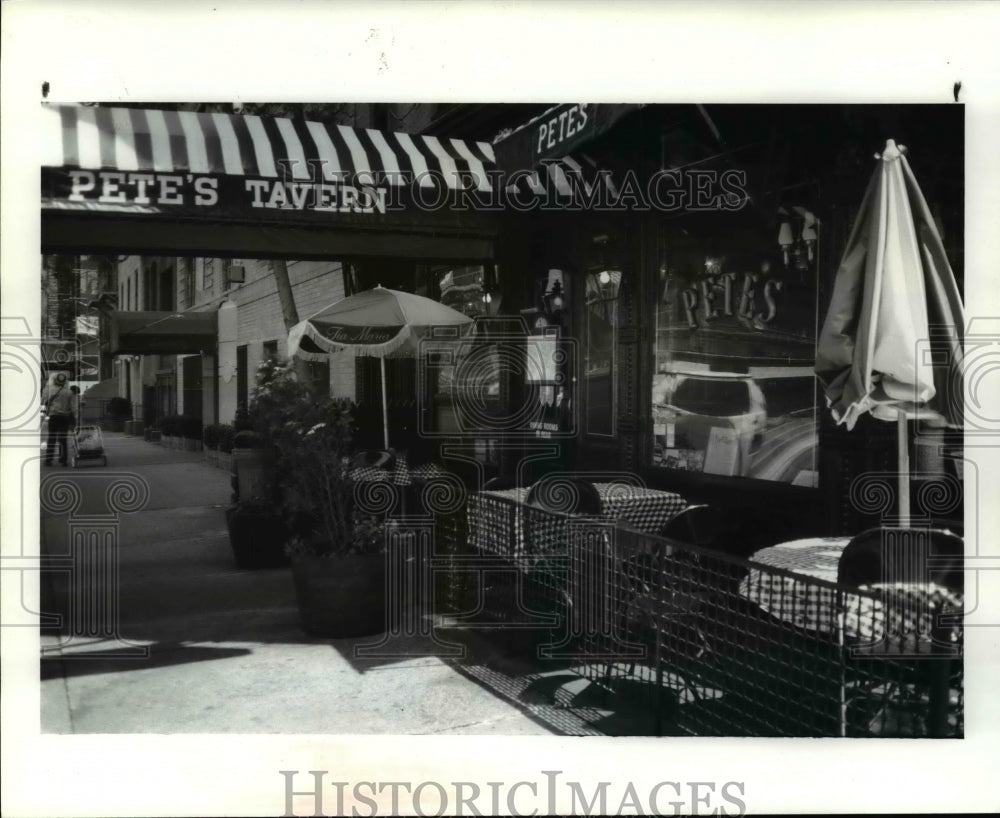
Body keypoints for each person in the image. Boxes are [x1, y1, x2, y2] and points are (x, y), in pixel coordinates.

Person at [42, 373, 74, 466]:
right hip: (64, 417)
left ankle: (49, 460)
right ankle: (63, 460)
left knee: (51, 438)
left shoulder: (49, 391)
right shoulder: (69, 392)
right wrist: (74, 417)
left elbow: (43, 400)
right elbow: (72, 406)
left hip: (54, 416)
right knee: (63, 439)